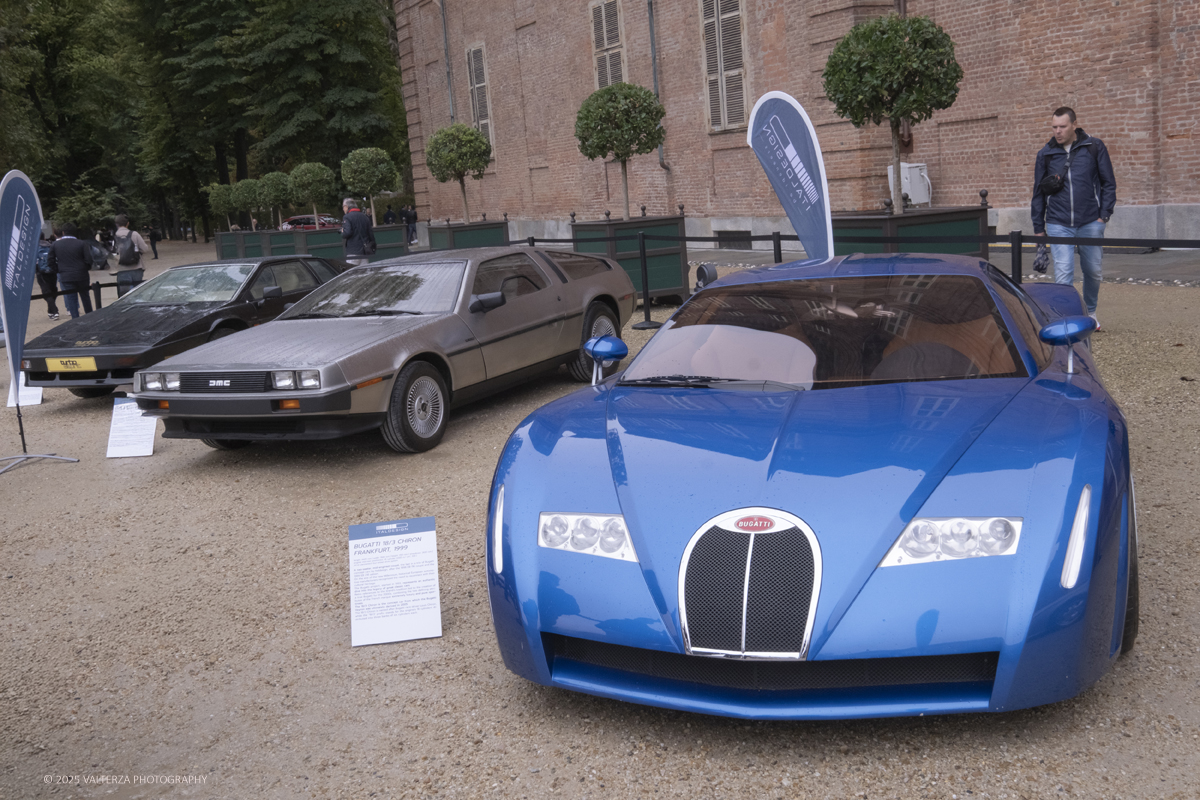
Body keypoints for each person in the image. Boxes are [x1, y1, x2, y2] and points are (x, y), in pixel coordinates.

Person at [1031, 106, 1116, 329]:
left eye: (1062, 126)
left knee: (1093, 271)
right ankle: (1066, 318)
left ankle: (1091, 313)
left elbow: (1108, 183)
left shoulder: (1093, 147)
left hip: (1091, 222)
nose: (1057, 131)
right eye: (1054, 127)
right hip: (1058, 223)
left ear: (1074, 125)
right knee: (1063, 272)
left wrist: (1103, 217)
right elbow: (1038, 193)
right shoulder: (1046, 154)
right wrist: (1039, 228)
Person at [48, 223, 95, 318]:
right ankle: (90, 317)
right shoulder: (82, 243)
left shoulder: (55, 245)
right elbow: (89, 260)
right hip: (82, 274)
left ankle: (75, 320)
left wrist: (58, 270)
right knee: (85, 297)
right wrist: (85, 268)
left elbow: (50, 261)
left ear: (63, 232)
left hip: (66, 275)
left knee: (71, 299)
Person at [341, 198, 374, 266]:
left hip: (353, 251)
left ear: (346, 206)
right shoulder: (364, 217)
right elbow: (370, 234)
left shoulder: (347, 217)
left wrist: (342, 231)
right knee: (365, 274)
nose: (343, 209)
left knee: (351, 274)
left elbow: (347, 233)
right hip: (364, 251)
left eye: (343, 207)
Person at [36, 227, 60, 320]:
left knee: (46, 291)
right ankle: (52, 310)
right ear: (44, 238)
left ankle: (54, 311)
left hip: (41, 273)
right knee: (53, 290)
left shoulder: (35, 249)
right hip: (52, 271)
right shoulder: (50, 246)